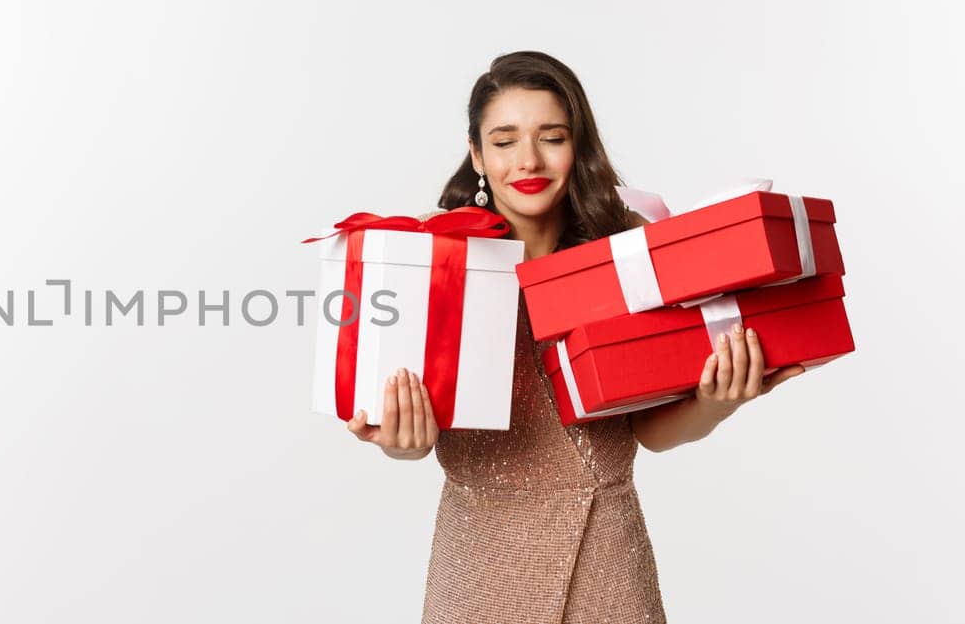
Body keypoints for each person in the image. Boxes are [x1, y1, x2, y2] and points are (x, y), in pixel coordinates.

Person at [343, 51, 807, 624]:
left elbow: (649, 434)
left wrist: (714, 404)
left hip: (608, 558)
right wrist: (401, 442)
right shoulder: (434, 261)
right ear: (477, 155)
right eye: (505, 140)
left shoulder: (631, 254)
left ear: (577, 144)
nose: (528, 160)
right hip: (481, 563)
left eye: (551, 136)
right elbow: (404, 430)